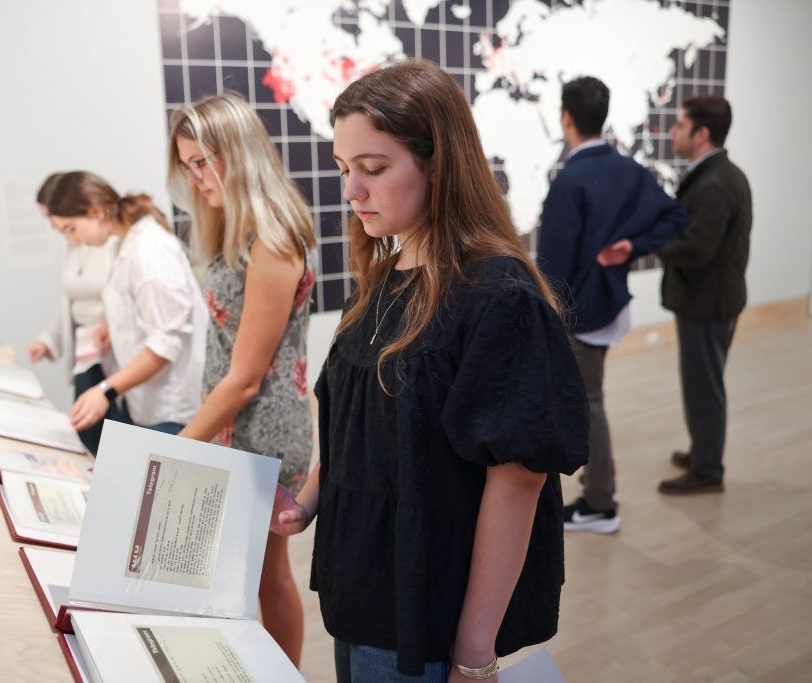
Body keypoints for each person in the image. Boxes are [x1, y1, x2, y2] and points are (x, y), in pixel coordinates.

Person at [273, 60, 588, 682]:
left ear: (438, 164)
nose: (352, 191)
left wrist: (474, 654)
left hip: (427, 609)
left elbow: (518, 480)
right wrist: (306, 504)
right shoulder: (387, 277)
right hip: (364, 591)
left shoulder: (498, 296)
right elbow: (360, 428)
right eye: (344, 170)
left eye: (374, 168)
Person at [167, 92, 318, 667]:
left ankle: (282, 673)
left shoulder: (272, 241)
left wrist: (172, 451)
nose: (195, 177)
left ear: (240, 154)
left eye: (203, 161)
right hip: (236, 425)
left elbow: (247, 378)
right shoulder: (240, 231)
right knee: (251, 572)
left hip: (261, 432)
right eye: (186, 165)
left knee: (265, 573)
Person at [537, 76, 687, 534]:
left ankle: (601, 502)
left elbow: (553, 265)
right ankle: (600, 492)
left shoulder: (571, 180)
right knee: (591, 399)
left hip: (577, 311)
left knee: (589, 402)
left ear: (566, 118)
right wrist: (632, 245)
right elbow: (676, 216)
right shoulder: (628, 168)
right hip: (607, 303)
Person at [45, 171, 207, 437]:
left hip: (173, 408)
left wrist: (105, 390)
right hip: (146, 402)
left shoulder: (149, 250)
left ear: (95, 212)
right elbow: (143, 307)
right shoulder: (126, 243)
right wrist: (113, 325)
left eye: (71, 229)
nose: (73, 241)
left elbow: (164, 344)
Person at [655, 96, 752, 495]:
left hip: (706, 303)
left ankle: (708, 470)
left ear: (703, 133)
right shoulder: (719, 174)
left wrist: (655, 240)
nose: (673, 132)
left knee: (704, 387)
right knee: (701, 383)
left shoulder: (714, 183)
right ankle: (703, 451)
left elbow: (697, 251)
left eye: (680, 125)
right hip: (709, 300)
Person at [29, 172, 124, 454]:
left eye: (56, 219)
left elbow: (124, 299)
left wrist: (110, 323)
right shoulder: (72, 244)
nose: (53, 226)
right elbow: (69, 304)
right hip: (84, 354)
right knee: (87, 436)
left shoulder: (112, 241)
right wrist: (48, 339)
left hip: (112, 351)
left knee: (115, 437)